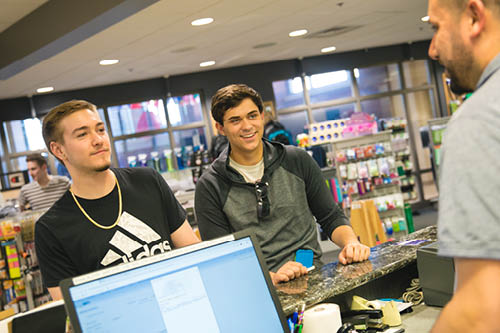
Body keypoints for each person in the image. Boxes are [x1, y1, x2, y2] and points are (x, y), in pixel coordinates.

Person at [195, 84, 370, 285]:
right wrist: (273, 278)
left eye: (252, 116)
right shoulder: (210, 185)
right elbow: (223, 259)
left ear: (262, 116)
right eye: (235, 120)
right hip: (258, 288)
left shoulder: (297, 160)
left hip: (312, 276)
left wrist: (351, 243)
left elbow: (330, 217)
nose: (247, 126)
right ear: (220, 128)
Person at [35, 100, 200, 301]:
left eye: (100, 129)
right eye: (82, 134)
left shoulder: (147, 181)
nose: (98, 140)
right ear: (59, 150)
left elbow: (193, 253)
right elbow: (70, 310)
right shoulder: (51, 228)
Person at [427, 0, 500, 331]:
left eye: (436, 27)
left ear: (474, 16)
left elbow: (482, 311)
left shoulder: (480, 119)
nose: (432, 49)